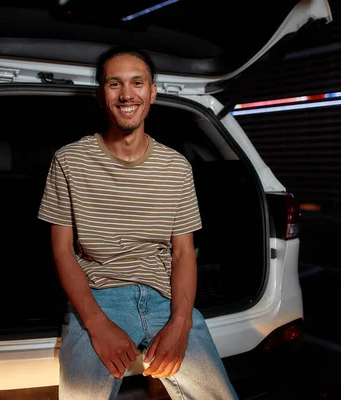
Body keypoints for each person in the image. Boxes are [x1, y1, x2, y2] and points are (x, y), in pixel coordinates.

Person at [38, 45, 238, 400]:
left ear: (152, 93)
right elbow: (62, 250)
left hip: (166, 299)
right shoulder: (69, 160)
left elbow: (183, 253)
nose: (127, 94)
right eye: (114, 84)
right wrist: (97, 326)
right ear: (101, 96)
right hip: (99, 297)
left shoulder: (177, 168)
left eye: (137, 83)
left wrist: (181, 322)